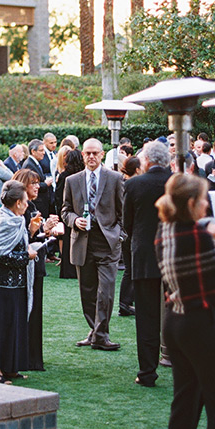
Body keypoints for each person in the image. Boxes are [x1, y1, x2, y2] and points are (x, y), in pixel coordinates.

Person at [155, 173, 215, 429]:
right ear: (191, 203)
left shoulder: (164, 231)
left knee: (186, 396)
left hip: (175, 322)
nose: (207, 204)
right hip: (201, 323)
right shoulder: (200, 237)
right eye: (203, 199)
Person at [61, 138, 124, 350]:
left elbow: (123, 211)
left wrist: (119, 235)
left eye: (95, 153)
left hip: (107, 242)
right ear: (82, 155)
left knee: (105, 292)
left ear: (102, 154)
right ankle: (95, 331)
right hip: (82, 241)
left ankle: (101, 335)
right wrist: (74, 220)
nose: (91, 157)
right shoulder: (72, 180)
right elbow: (65, 210)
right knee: (87, 291)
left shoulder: (115, 178)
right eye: (87, 153)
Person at [123, 138, 172, 387]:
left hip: (144, 254)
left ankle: (147, 372)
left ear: (147, 160)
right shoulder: (177, 182)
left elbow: (127, 223)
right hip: (174, 254)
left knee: (146, 317)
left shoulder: (134, 184)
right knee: (178, 312)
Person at [0, 179, 40, 384]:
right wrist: (27, 256)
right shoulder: (5, 221)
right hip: (3, 284)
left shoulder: (16, 219)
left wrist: (31, 232)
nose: (27, 204)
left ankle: (10, 366)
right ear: (17, 203)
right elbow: (0, 254)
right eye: (25, 201)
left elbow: (17, 243)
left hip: (18, 282)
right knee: (2, 326)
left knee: (15, 325)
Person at [13, 168, 63, 371]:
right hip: (26, 265)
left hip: (36, 263)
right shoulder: (20, 209)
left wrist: (45, 230)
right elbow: (21, 238)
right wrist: (39, 229)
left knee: (35, 311)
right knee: (29, 310)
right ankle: (27, 357)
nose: (37, 186)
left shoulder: (31, 206)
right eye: (33, 183)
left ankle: (33, 356)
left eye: (37, 182)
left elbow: (34, 236)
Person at [117, 156, 141, 317]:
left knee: (129, 268)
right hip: (128, 231)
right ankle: (125, 303)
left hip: (125, 231)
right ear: (137, 170)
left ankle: (126, 302)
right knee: (130, 269)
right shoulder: (129, 185)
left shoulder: (123, 183)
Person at [55, 148, 82, 280]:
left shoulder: (64, 176)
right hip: (80, 212)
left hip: (67, 212)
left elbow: (58, 196)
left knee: (68, 241)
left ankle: (68, 270)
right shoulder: (82, 175)